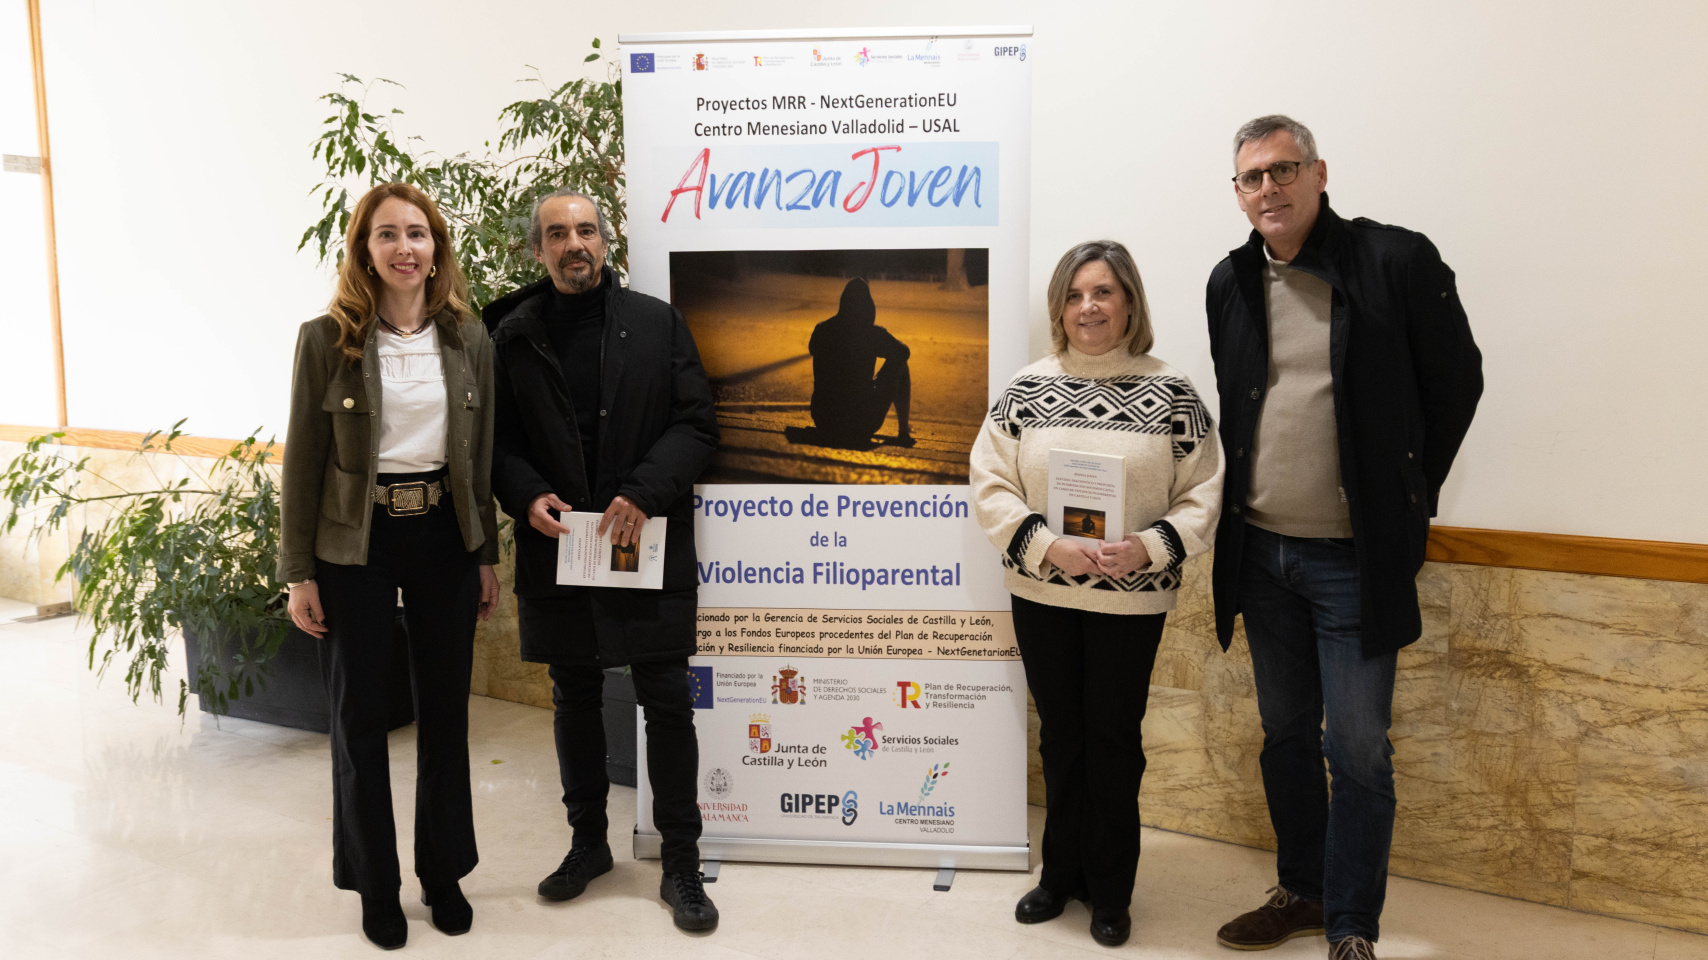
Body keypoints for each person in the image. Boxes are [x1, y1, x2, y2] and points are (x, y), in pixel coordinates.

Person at [1205, 116, 1483, 960]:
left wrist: (1404, 495)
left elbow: (1456, 383)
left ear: (1320, 173)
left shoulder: (1393, 261)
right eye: (1251, 177)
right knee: (1286, 735)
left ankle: (1351, 924)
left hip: (1350, 564)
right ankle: (1303, 887)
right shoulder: (1228, 281)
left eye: (1284, 170)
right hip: (1259, 555)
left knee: (1356, 748)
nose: (1269, 190)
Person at [970, 240, 1224, 948]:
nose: (1089, 307)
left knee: (1113, 739)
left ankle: (1111, 890)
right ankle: (1061, 877)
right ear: (1061, 307)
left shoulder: (1171, 392)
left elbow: (1205, 488)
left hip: (1129, 600)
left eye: (1104, 292)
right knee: (1061, 737)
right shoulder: (1025, 389)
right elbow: (990, 481)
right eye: (1077, 294)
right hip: (1043, 592)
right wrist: (1046, 544)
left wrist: (1149, 546)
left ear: (1130, 303)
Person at [483, 187, 722, 932]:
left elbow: (697, 424)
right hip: (559, 546)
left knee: (667, 701)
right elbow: (491, 442)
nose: (574, 244)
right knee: (573, 696)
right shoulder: (507, 333)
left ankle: (682, 864)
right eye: (557, 234)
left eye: (585, 230)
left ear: (606, 242)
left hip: (643, 543)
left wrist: (644, 493)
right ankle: (588, 845)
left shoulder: (657, 322)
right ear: (536, 250)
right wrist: (524, 496)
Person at [280, 182, 501, 950]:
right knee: (358, 717)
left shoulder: (470, 338)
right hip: (354, 544)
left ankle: (443, 875)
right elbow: (303, 462)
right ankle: (376, 884)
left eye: (418, 233)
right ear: (364, 251)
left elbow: (481, 459)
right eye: (387, 235)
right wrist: (297, 571)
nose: (405, 247)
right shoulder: (326, 340)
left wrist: (484, 554)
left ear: (436, 246)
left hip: (442, 533)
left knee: (445, 711)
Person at [807, 277, 914, 445]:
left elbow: (812, 349)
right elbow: (904, 352)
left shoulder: (822, 329)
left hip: (824, 419)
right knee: (900, 365)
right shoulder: (872, 334)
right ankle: (903, 431)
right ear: (868, 306)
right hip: (861, 422)